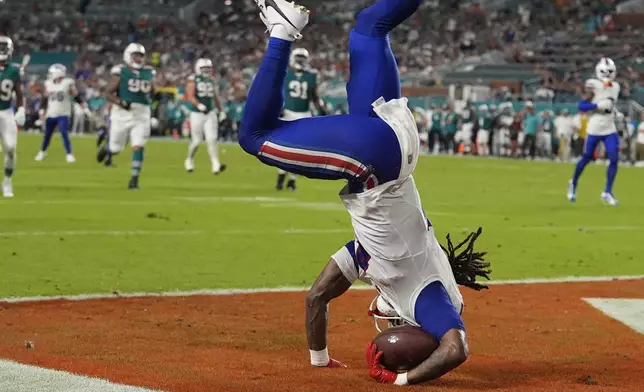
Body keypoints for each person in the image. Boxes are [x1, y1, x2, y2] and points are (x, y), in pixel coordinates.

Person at [239, 0, 489, 385]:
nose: (379, 314)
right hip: (376, 164)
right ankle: (283, 31)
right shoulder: (425, 298)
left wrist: (319, 358)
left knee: (370, 27)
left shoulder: (372, 255)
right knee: (254, 137)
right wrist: (403, 381)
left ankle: (285, 26)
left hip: (398, 138)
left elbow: (316, 298)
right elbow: (456, 349)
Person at [97, 43, 158, 189]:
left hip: (142, 113)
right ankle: (107, 149)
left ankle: (134, 179)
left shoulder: (149, 72)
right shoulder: (121, 71)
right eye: (135, 55)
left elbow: (154, 91)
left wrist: (153, 91)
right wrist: (120, 102)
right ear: (128, 56)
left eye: (141, 55)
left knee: (139, 145)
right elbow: (107, 92)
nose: (138, 58)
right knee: (116, 148)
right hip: (122, 113)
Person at [568, 58, 620, 205]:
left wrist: (615, 111)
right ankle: (573, 183)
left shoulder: (616, 86)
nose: (607, 74)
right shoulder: (593, 85)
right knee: (587, 158)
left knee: (614, 158)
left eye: (610, 72)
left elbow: (610, 103)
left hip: (610, 127)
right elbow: (582, 106)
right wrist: (597, 105)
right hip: (595, 127)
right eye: (605, 71)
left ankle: (607, 192)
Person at [276, 47, 326, 191]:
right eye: (298, 58)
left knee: (300, 151)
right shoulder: (285, 74)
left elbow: (315, 97)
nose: (300, 62)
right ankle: (281, 178)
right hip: (288, 114)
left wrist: (322, 111)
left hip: (304, 115)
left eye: (302, 59)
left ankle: (291, 180)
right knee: (284, 149)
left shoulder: (311, 76)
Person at [184, 58, 227, 174]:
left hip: (210, 113)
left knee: (211, 139)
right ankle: (189, 159)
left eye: (208, 68)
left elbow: (216, 97)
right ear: (198, 68)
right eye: (204, 68)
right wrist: (198, 105)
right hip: (196, 113)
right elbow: (190, 96)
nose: (206, 70)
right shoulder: (193, 79)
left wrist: (221, 111)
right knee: (197, 141)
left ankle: (216, 164)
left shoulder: (212, 80)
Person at [35, 64, 79, 163]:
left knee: (64, 133)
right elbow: (45, 99)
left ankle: (69, 154)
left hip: (63, 113)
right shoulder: (48, 83)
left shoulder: (68, 83)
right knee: (47, 135)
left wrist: (82, 104)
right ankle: (42, 151)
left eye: (51, 73)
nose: (50, 75)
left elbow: (75, 95)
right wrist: (42, 111)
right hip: (51, 113)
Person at [0, 36, 24, 198]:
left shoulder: (14, 70)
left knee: (10, 149)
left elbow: (19, 92)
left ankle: (7, 181)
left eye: (3, 47)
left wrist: (21, 108)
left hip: (6, 112)